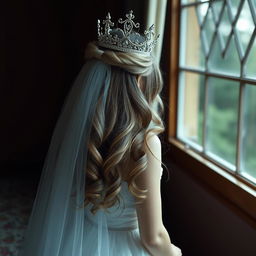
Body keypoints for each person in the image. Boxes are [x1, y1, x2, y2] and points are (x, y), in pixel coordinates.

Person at [18, 10, 182, 256]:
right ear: (140, 81)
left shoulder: (84, 130)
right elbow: (153, 237)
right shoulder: (144, 143)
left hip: (83, 240)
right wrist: (174, 252)